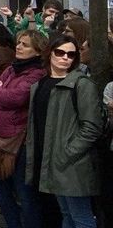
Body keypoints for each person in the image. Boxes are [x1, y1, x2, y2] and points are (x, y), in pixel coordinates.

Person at [26, 35, 104, 228]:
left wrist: (67, 152)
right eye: (60, 52)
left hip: (72, 163)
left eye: (71, 54)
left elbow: (92, 126)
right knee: (67, 214)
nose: (65, 58)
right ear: (50, 53)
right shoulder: (39, 85)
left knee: (80, 216)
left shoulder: (82, 84)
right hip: (49, 160)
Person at [0, 29, 48, 228]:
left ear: (38, 51)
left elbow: (17, 97)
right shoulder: (12, 68)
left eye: (25, 45)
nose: (18, 47)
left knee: (25, 196)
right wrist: (0, 93)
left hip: (20, 144)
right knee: (2, 193)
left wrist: (0, 94)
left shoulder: (37, 73)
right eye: (18, 43)